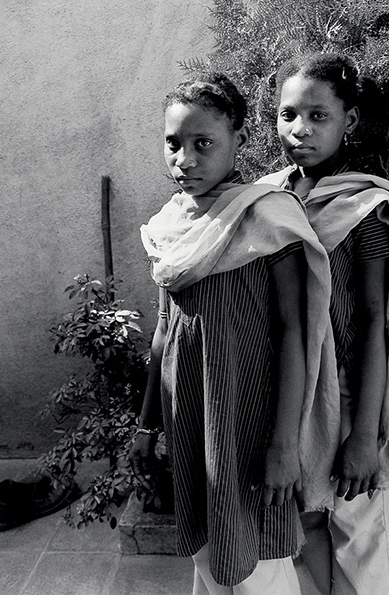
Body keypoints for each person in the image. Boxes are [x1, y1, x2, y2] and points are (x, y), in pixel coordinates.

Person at [131, 72, 340, 595]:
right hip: (189, 416)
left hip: (247, 421)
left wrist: (284, 447)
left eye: (203, 143)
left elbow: (294, 334)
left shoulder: (267, 219)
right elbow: (164, 330)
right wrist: (146, 424)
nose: (185, 160)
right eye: (173, 144)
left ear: (239, 140)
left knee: (257, 558)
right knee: (206, 549)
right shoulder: (170, 228)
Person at [257, 53, 389, 595]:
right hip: (292, 396)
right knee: (303, 533)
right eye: (287, 114)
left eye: (318, 116)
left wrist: (365, 436)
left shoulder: (364, 207)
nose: (299, 129)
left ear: (348, 120)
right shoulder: (271, 199)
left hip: (352, 396)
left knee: (360, 540)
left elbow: (376, 322)